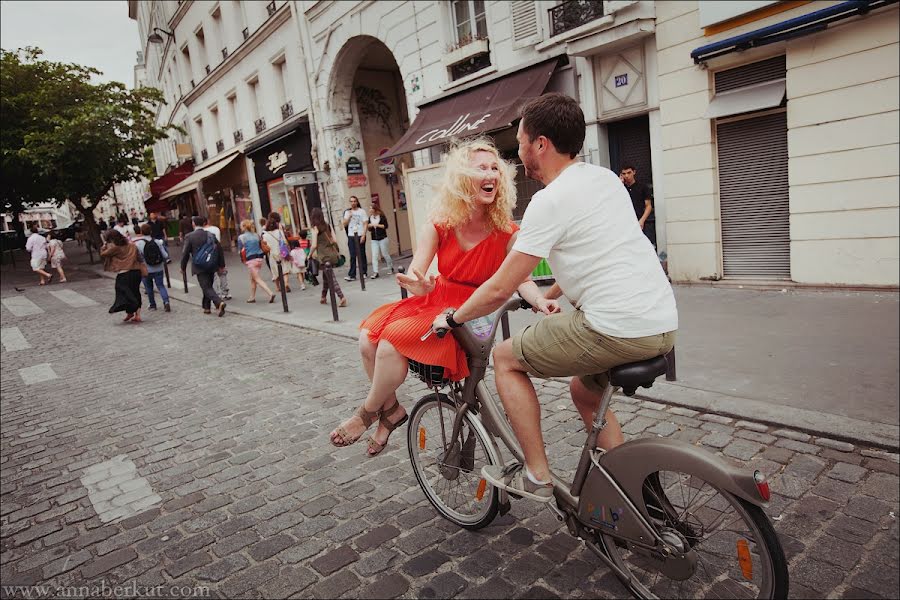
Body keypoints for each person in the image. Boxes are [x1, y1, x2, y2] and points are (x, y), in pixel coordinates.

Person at [431, 94, 678, 503]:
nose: (519, 150)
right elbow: (595, 251)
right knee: (584, 392)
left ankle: (537, 474)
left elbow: (498, 287)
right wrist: (547, 295)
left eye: (521, 140)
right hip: (662, 324)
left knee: (506, 359)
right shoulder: (606, 180)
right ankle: (628, 491)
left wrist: (455, 319)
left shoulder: (550, 199)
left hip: (613, 328)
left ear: (540, 144)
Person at [330, 138, 547, 456]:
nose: (490, 174)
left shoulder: (507, 232)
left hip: (473, 310)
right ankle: (390, 411)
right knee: (367, 339)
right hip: (434, 301)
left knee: (390, 345)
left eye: (494, 169)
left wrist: (539, 300)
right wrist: (419, 285)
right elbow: (419, 272)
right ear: (461, 179)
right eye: (480, 168)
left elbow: (522, 279)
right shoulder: (440, 225)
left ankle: (366, 413)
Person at [181, 216, 227, 316]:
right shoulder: (210, 235)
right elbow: (219, 250)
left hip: (199, 265)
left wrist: (182, 267)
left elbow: (185, 253)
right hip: (211, 264)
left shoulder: (190, 236)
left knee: (206, 287)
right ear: (204, 223)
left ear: (193, 224)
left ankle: (219, 302)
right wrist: (221, 264)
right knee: (207, 286)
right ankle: (206, 307)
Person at [100, 229, 147, 323]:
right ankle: (136, 314)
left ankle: (131, 309)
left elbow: (103, 254)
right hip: (136, 272)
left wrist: (104, 246)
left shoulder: (115, 248)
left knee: (123, 291)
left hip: (124, 273)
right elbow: (139, 258)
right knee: (135, 291)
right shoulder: (132, 245)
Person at [309, 207, 347, 307]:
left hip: (323, 256)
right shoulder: (328, 226)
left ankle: (341, 296)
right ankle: (323, 297)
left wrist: (309, 255)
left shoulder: (314, 228)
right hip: (332, 254)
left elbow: (314, 245)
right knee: (326, 276)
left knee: (331, 277)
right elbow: (334, 240)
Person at [236, 219, 275, 304]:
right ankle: (252, 297)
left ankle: (270, 293)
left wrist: (243, 259)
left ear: (244, 227)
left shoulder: (241, 237)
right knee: (253, 278)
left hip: (251, 259)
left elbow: (240, 251)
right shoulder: (256, 235)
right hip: (260, 259)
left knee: (257, 279)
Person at [135, 223, 170, 312]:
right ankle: (166, 302)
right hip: (158, 268)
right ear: (151, 231)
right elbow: (165, 255)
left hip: (145, 269)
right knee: (161, 286)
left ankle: (153, 305)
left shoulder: (138, 244)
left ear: (141, 232)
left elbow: (137, 257)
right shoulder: (157, 242)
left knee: (149, 288)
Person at [620, 165, 656, 249]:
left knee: (645, 247)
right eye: (624, 174)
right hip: (625, 223)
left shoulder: (642, 187)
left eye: (629, 173)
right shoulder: (620, 188)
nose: (626, 176)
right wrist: (620, 184)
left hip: (640, 222)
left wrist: (642, 220)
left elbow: (648, 206)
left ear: (634, 172)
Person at [201, 215, 231, 301]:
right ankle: (226, 292)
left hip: (207, 254)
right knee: (222, 272)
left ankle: (217, 293)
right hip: (217, 251)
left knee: (212, 274)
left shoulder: (202, 231)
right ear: (208, 221)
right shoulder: (216, 229)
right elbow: (219, 241)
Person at [262, 212, 292, 293]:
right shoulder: (279, 231)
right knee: (285, 269)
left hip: (272, 254)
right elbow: (285, 241)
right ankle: (286, 284)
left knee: (275, 271)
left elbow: (265, 246)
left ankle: (278, 287)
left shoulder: (265, 235)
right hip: (282, 252)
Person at [342, 196, 368, 281]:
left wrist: (364, 235)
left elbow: (365, 223)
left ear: (357, 202)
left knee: (361, 254)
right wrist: (349, 216)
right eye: (351, 201)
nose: (353, 203)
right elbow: (344, 224)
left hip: (360, 234)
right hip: (351, 235)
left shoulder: (362, 211)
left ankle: (364, 272)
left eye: (354, 201)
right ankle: (352, 275)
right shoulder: (347, 212)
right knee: (352, 255)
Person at [367, 204, 393, 279]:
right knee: (374, 256)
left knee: (385, 254)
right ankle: (375, 272)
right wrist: (370, 226)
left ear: (374, 209)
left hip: (382, 238)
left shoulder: (381, 217)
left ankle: (390, 267)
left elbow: (386, 226)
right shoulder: (370, 218)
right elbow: (369, 228)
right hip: (374, 239)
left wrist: (377, 225)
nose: (370, 210)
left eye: (371, 208)